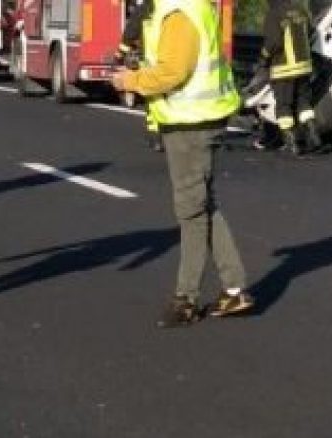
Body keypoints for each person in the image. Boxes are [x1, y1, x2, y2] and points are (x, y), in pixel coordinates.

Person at [111, 0, 254, 327]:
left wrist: (129, 81)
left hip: (190, 125)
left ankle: (185, 299)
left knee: (190, 211)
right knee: (203, 204)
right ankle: (234, 288)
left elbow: (172, 71)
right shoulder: (192, 6)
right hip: (203, 118)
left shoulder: (178, 13)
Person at [260, 0, 320, 154]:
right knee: (303, 102)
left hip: (283, 68)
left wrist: (264, 58)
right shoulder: (300, 9)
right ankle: (312, 132)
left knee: (283, 105)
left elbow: (273, 42)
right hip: (304, 67)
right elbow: (312, 32)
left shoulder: (274, 13)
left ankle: (291, 142)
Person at [115, 0, 164, 151]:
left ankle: (156, 137)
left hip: (150, 64)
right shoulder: (176, 8)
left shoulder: (145, 8)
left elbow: (131, 32)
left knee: (154, 101)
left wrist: (119, 54)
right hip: (172, 62)